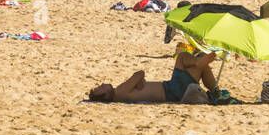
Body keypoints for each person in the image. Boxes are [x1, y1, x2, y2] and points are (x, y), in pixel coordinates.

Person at [89, 41, 221, 103]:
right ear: (106, 96)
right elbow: (139, 73)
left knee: (194, 63)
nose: (101, 84)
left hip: (172, 89)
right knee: (182, 57)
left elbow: (139, 79)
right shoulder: (119, 91)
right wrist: (140, 80)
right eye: (100, 88)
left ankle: (213, 87)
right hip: (173, 90)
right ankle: (214, 89)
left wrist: (139, 82)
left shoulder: (120, 94)